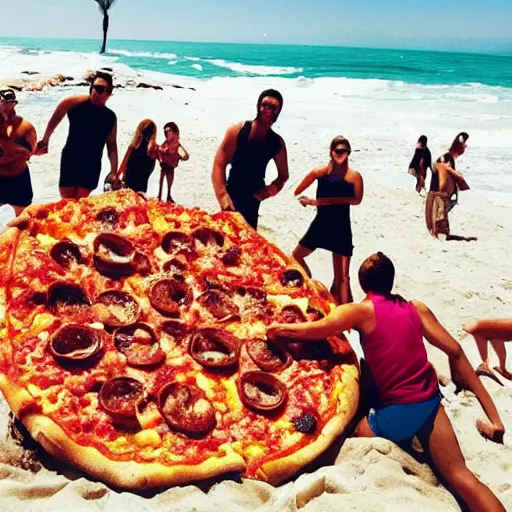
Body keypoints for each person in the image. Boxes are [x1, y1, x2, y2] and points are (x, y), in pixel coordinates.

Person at [267, 252, 506, 512]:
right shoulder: (416, 308)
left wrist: (277, 329)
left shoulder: (359, 311)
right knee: (461, 475)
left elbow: (315, 330)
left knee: (354, 430)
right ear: (391, 281)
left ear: (362, 284)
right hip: (430, 403)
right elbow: (456, 351)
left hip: (398, 413)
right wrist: (495, 419)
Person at [292, 136, 363, 305]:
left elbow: (357, 200)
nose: (341, 154)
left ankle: (344, 318)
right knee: (295, 257)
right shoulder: (320, 173)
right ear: (331, 152)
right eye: (337, 151)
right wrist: (307, 200)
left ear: (349, 153)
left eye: (344, 151)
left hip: (341, 227)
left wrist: (319, 202)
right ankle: (310, 285)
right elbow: (298, 191)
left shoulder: (354, 177)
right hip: (321, 224)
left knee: (342, 277)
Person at [212, 89, 289, 229]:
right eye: (266, 104)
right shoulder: (237, 131)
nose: (268, 109)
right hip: (232, 192)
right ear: (258, 106)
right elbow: (219, 164)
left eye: (274, 107)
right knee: (226, 238)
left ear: (279, 112)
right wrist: (222, 195)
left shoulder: (277, 143)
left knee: (249, 240)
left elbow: (284, 175)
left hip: (254, 198)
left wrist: (273, 188)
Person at [36, 71, 118, 199]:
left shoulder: (110, 117)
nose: (101, 93)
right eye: (98, 88)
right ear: (91, 88)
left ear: (109, 93)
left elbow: (112, 145)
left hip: (92, 165)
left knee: (81, 204)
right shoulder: (75, 103)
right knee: (67, 203)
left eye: (106, 90)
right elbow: (56, 117)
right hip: (71, 159)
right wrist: (45, 139)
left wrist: (114, 171)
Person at [425, 132, 474, 241]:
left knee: (442, 228)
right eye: (463, 144)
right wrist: (460, 179)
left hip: (438, 196)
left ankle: (441, 232)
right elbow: (444, 171)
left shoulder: (446, 158)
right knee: (441, 230)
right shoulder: (445, 159)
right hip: (439, 197)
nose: (465, 146)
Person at [0, 89, 37, 216]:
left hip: (19, 177)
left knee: (24, 219)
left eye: (8, 102)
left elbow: (32, 152)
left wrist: (13, 151)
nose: (4, 105)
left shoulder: (25, 127)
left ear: (14, 103)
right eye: (2, 102)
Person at [463, 319, 512, 384]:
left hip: (481, 329)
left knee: (501, 353)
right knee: (486, 362)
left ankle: (502, 369)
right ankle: (486, 366)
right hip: (478, 329)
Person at [117, 119, 157, 194]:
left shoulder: (133, 146)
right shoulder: (153, 149)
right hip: (142, 186)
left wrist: (117, 177)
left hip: (128, 183)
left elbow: (123, 164)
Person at [157, 122, 189, 203]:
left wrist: (183, 156)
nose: (166, 132)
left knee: (168, 179)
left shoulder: (176, 146)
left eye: (169, 130)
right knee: (163, 179)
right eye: (165, 131)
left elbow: (184, 154)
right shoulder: (166, 144)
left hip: (170, 166)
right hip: (164, 165)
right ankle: (161, 196)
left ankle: (167, 195)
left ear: (176, 133)